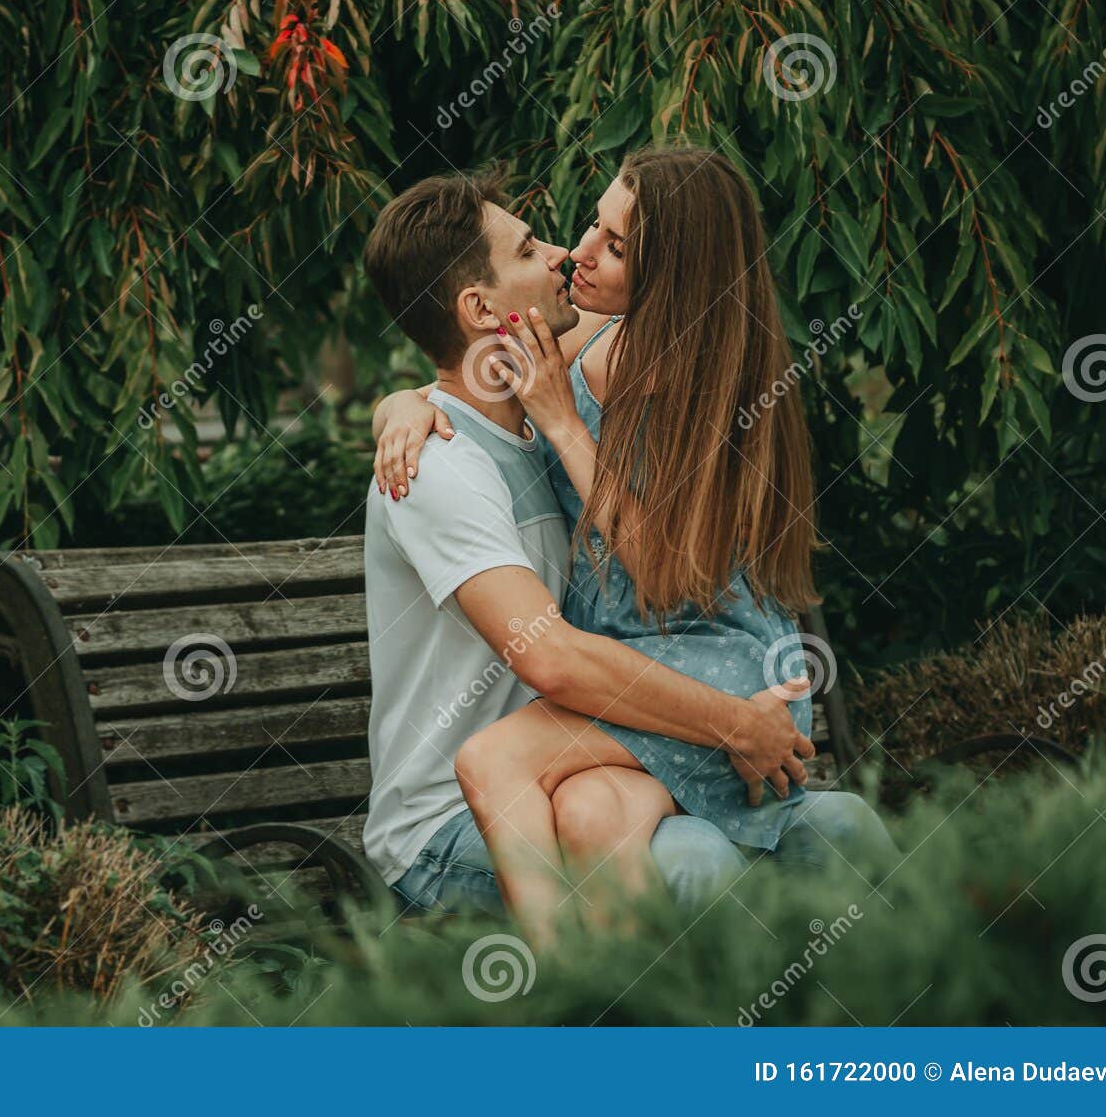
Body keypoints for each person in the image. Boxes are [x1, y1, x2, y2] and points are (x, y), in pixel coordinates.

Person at [370, 149, 896, 948]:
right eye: (534, 248)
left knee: (844, 830)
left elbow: (665, 573)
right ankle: (585, 1021)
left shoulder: (625, 387)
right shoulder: (448, 458)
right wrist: (400, 404)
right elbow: (555, 661)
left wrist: (538, 422)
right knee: (688, 862)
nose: (568, 254)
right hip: (464, 813)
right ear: (482, 307)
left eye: (611, 246)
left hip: (638, 715)